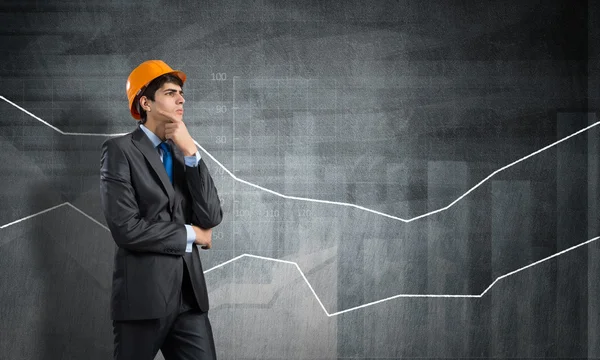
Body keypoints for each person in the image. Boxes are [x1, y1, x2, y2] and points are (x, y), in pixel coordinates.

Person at [100, 60, 223, 360]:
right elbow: (126, 229)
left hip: (189, 299)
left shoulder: (183, 152)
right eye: (170, 93)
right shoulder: (120, 151)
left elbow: (211, 217)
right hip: (143, 300)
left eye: (181, 93)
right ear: (146, 102)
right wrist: (191, 234)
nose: (181, 99)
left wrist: (192, 153)